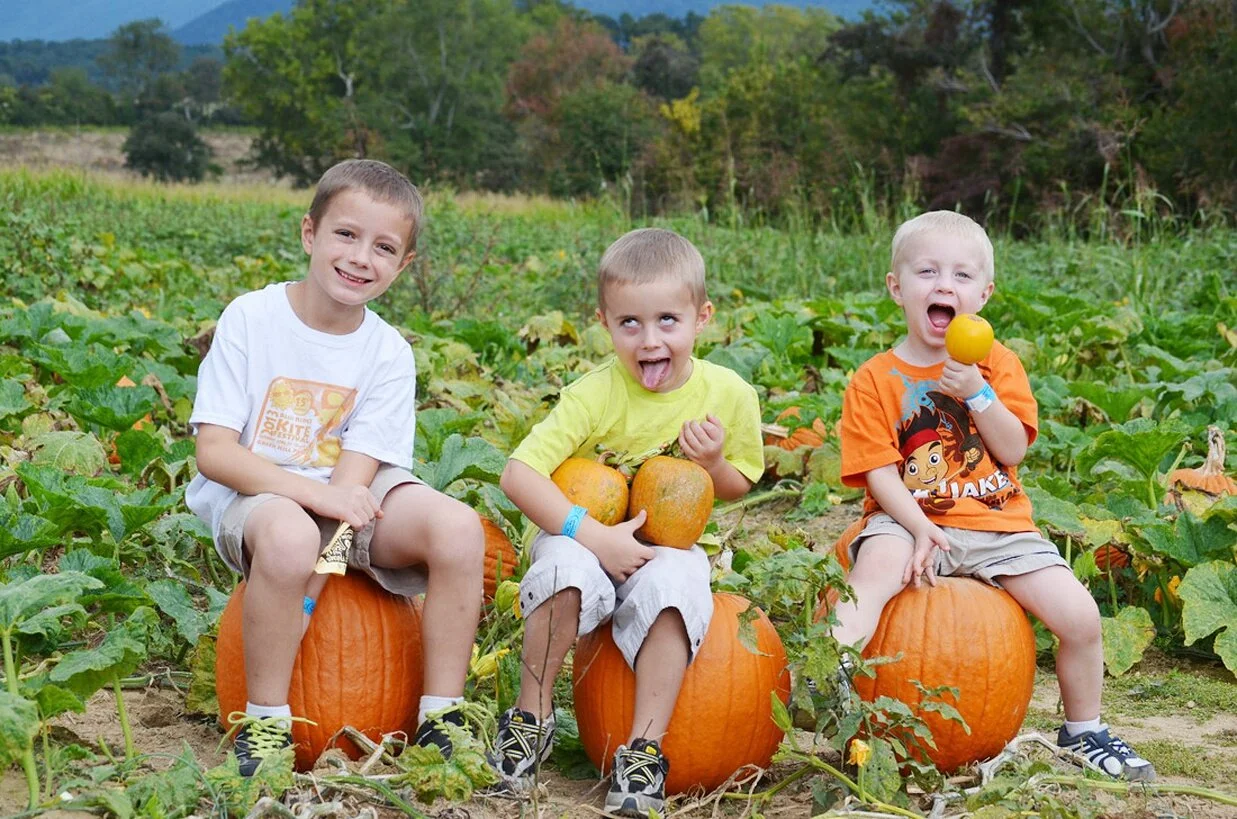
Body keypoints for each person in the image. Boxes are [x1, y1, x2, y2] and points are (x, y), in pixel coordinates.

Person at [832, 210, 1155, 781]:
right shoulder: (875, 379)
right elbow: (880, 472)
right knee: (871, 575)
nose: (943, 286)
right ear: (896, 287)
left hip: (998, 527)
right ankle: (832, 683)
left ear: (983, 294)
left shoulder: (997, 365)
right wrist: (919, 526)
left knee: (1080, 618)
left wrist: (979, 393)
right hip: (906, 516)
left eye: (961, 276)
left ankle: (1085, 730)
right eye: (927, 271)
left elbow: (1013, 450)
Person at [186, 159, 484, 776]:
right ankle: (265, 724)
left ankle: (442, 717)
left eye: (383, 247)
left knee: (458, 528)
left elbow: (349, 489)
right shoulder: (251, 319)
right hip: (254, 490)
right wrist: (306, 513)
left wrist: (308, 601)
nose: (360, 258)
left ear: (403, 267)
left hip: (349, 494)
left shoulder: (387, 353)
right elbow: (215, 452)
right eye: (345, 235)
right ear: (309, 234)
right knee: (292, 531)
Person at [488, 228, 765, 814]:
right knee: (561, 568)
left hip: (668, 545)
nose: (649, 339)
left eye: (668, 320)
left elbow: (739, 483)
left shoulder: (729, 394)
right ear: (605, 323)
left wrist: (712, 463)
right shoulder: (593, 394)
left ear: (701, 318)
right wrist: (591, 536)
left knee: (674, 586)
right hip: (585, 534)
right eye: (629, 324)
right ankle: (531, 717)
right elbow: (518, 474)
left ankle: (642, 753)